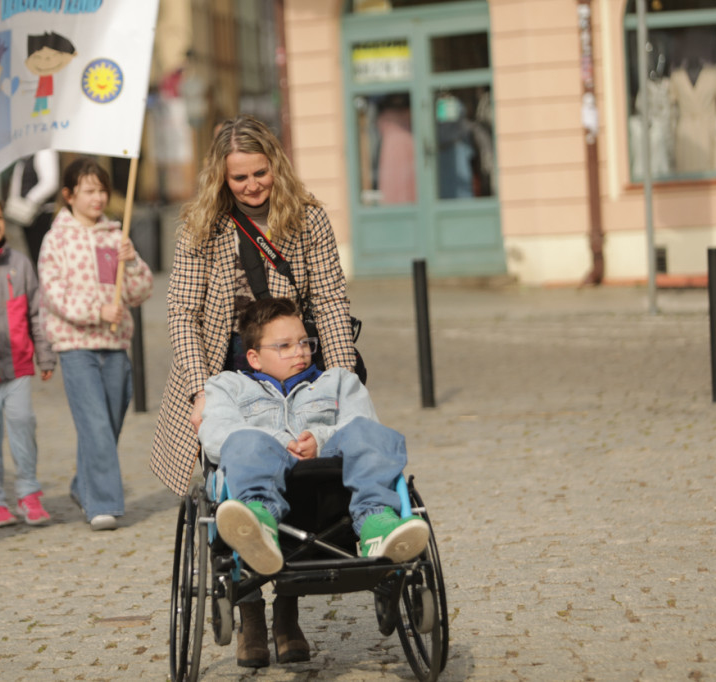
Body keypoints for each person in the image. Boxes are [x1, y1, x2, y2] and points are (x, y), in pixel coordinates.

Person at [149, 114, 358, 668]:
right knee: (241, 474)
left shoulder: (306, 218)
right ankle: (248, 614)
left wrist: (340, 378)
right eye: (238, 178)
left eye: (259, 173)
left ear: (276, 165)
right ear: (221, 177)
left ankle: (288, 610)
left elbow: (332, 301)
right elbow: (182, 312)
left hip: (296, 358)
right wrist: (199, 389)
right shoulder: (201, 226)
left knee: (305, 473)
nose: (251, 186)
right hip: (227, 368)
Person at [201, 297, 429, 561]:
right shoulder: (226, 386)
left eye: (304, 342)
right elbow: (215, 434)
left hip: (334, 486)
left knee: (368, 432)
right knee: (243, 440)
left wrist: (319, 440)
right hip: (261, 480)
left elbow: (363, 423)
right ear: (254, 358)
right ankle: (258, 522)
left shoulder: (339, 381)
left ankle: (377, 524)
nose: (299, 352)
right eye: (284, 346)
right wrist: (278, 442)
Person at [38, 157, 153, 531]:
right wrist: (95, 311)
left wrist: (132, 261)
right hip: (76, 346)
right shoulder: (56, 239)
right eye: (89, 190)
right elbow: (55, 294)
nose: (98, 197)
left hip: (115, 344)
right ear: (69, 195)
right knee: (95, 425)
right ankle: (102, 504)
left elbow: (139, 292)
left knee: (111, 421)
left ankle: (81, 484)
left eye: (102, 190)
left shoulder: (115, 237)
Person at [0, 192, 56, 526]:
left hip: (17, 366)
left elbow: (36, 312)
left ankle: (29, 492)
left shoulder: (19, 262)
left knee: (23, 425)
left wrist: (44, 356)